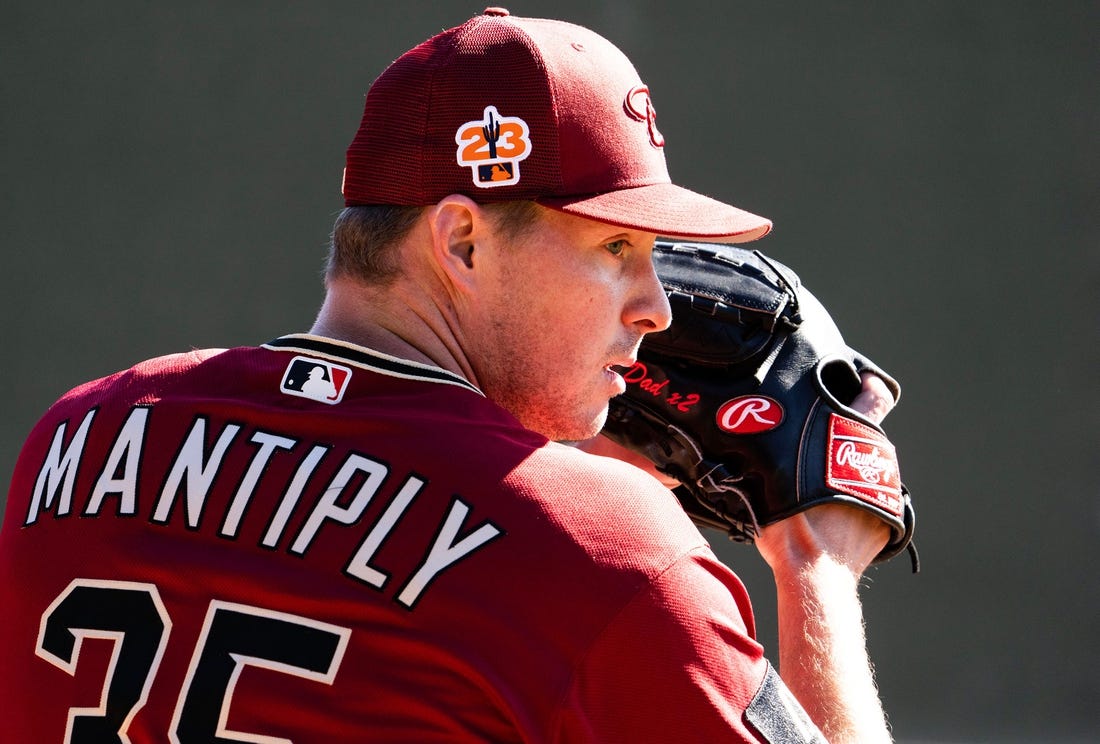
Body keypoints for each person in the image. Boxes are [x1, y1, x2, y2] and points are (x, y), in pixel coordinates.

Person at [0, 9, 896, 743]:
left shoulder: (80, 439)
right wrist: (814, 562)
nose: (656, 306)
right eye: (618, 248)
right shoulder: (615, 554)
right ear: (462, 239)